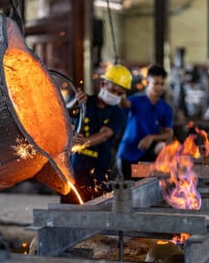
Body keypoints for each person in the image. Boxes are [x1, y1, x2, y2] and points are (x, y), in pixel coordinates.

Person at [61, 64, 132, 204]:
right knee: (70, 206)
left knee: (97, 207)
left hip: (100, 169)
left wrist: (84, 142)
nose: (115, 95)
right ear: (103, 84)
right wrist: (75, 101)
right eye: (113, 90)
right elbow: (63, 113)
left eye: (120, 93)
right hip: (75, 167)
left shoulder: (118, 114)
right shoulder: (85, 102)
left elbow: (105, 134)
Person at [117, 64, 174, 180]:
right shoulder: (136, 101)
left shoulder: (165, 108)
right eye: (155, 84)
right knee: (130, 191)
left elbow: (169, 133)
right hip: (128, 154)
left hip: (147, 156)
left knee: (144, 189)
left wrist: (151, 137)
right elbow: (124, 103)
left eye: (162, 84)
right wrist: (120, 87)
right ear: (147, 83)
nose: (159, 88)